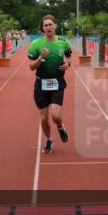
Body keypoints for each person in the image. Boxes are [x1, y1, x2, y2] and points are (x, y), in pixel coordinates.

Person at [27, 14, 72, 154]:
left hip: (57, 83)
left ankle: (60, 127)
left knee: (56, 115)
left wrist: (67, 64)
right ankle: (49, 140)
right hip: (41, 84)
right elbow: (31, 67)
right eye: (45, 25)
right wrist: (41, 57)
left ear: (55, 26)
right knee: (44, 117)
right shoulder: (36, 45)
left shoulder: (64, 42)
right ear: (42, 28)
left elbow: (68, 56)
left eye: (50, 24)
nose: (48, 27)